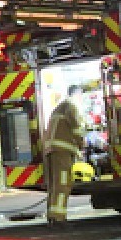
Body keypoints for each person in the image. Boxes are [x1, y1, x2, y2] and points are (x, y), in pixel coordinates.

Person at [43, 85, 85, 226]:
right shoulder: (71, 106)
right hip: (62, 152)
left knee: (54, 185)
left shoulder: (59, 107)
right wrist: (81, 144)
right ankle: (59, 218)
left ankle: (52, 216)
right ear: (77, 95)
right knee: (62, 184)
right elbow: (77, 129)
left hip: (51, 150)